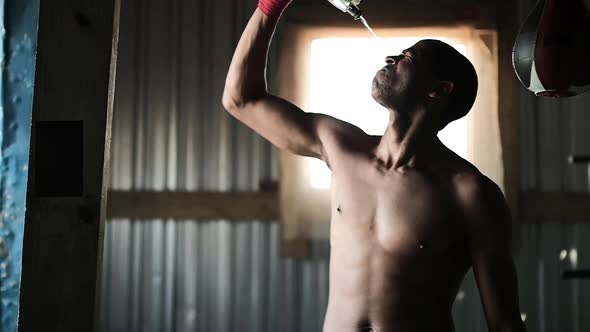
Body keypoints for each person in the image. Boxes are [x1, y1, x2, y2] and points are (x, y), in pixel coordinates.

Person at [222, 0, 527, 331]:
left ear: (439, 91)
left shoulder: (470, 193)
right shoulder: (342, 149)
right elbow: (241, 100)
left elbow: (505, 323)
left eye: (408, 58)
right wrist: (270, 8)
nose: (390, 58)